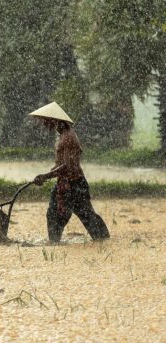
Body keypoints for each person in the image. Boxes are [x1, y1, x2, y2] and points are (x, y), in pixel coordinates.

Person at [29, 102, 110, 242]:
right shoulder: (63, 136)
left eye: (46, 121)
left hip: (73, 184)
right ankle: (103, 239)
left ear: (55, 120)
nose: (44, 124)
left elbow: (67, 166)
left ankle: (54, 244)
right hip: (69, 183)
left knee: (67, 215)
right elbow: (61, 164)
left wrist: (46, 175)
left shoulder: (68, 138)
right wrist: (48, 174)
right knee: (84, 215)